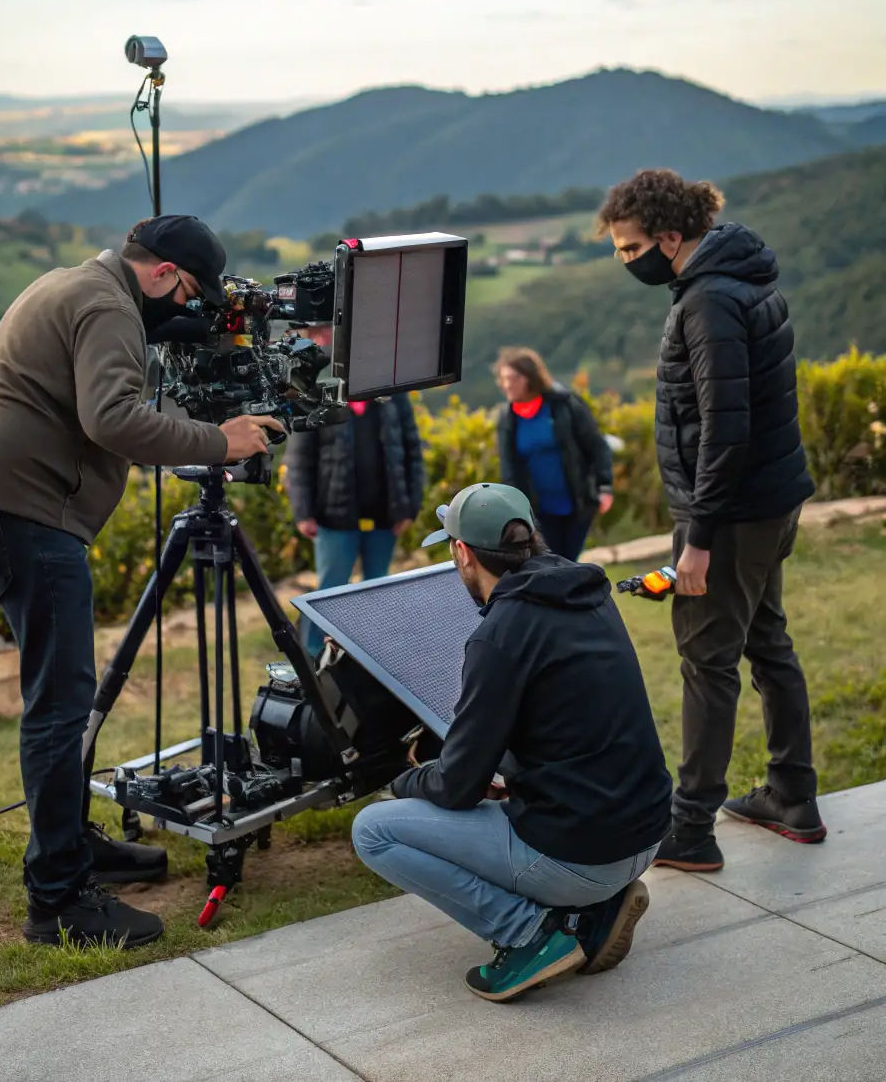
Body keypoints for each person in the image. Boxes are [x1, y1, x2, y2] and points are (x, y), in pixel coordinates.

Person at [0, 215, 284, 948]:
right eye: (187, 291)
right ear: (160, 272)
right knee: (62, 706)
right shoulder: (106, 307)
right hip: (25, 512)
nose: (184, 306)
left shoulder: (77, 283)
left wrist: (176, 334)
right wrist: (220, 440)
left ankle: (70, 847)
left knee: (59, 697)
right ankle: (59, 900)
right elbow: (112, 417)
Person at [351, 482, 671, 1003]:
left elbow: (456, 786)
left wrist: (404, 778)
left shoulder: (500, 634)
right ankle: (593, 910)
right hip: (648, 830)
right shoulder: (585, 591)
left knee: (374, 831)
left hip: (585, 855)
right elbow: (563, 719)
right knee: (501, 795)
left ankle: (529, 933)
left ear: (462, 553)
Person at [597, 168, 824, 874]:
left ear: (670, 235)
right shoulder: (745, 275)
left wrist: (695, 539)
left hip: (729, 514)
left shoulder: (707, 303)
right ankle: (792, 795)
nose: (626, 261)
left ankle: (691, 827)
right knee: (768, 641)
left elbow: (725, 429)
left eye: (631, 248)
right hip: (769, 502)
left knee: (707, 661)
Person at [287, 327, 424, 605]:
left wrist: (410, 506)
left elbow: (412, 450)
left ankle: (368, 647)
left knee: (378, 590)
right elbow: (300, 460)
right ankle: (315, 649)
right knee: (330, 592)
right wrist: (303, 512)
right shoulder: (320, 394)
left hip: (385, 516)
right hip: (334, 518)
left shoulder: (394, 395)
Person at [495, 346, 614, 562]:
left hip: (577, 505)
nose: (507, 385)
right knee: (553, 563)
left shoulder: (565, 405)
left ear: (530, 377)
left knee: (568, 560)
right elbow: (509, 468)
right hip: (538, 512)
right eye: (504, 379)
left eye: (513, 378)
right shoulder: (507, 420)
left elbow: (597, 446)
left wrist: (604, 486)